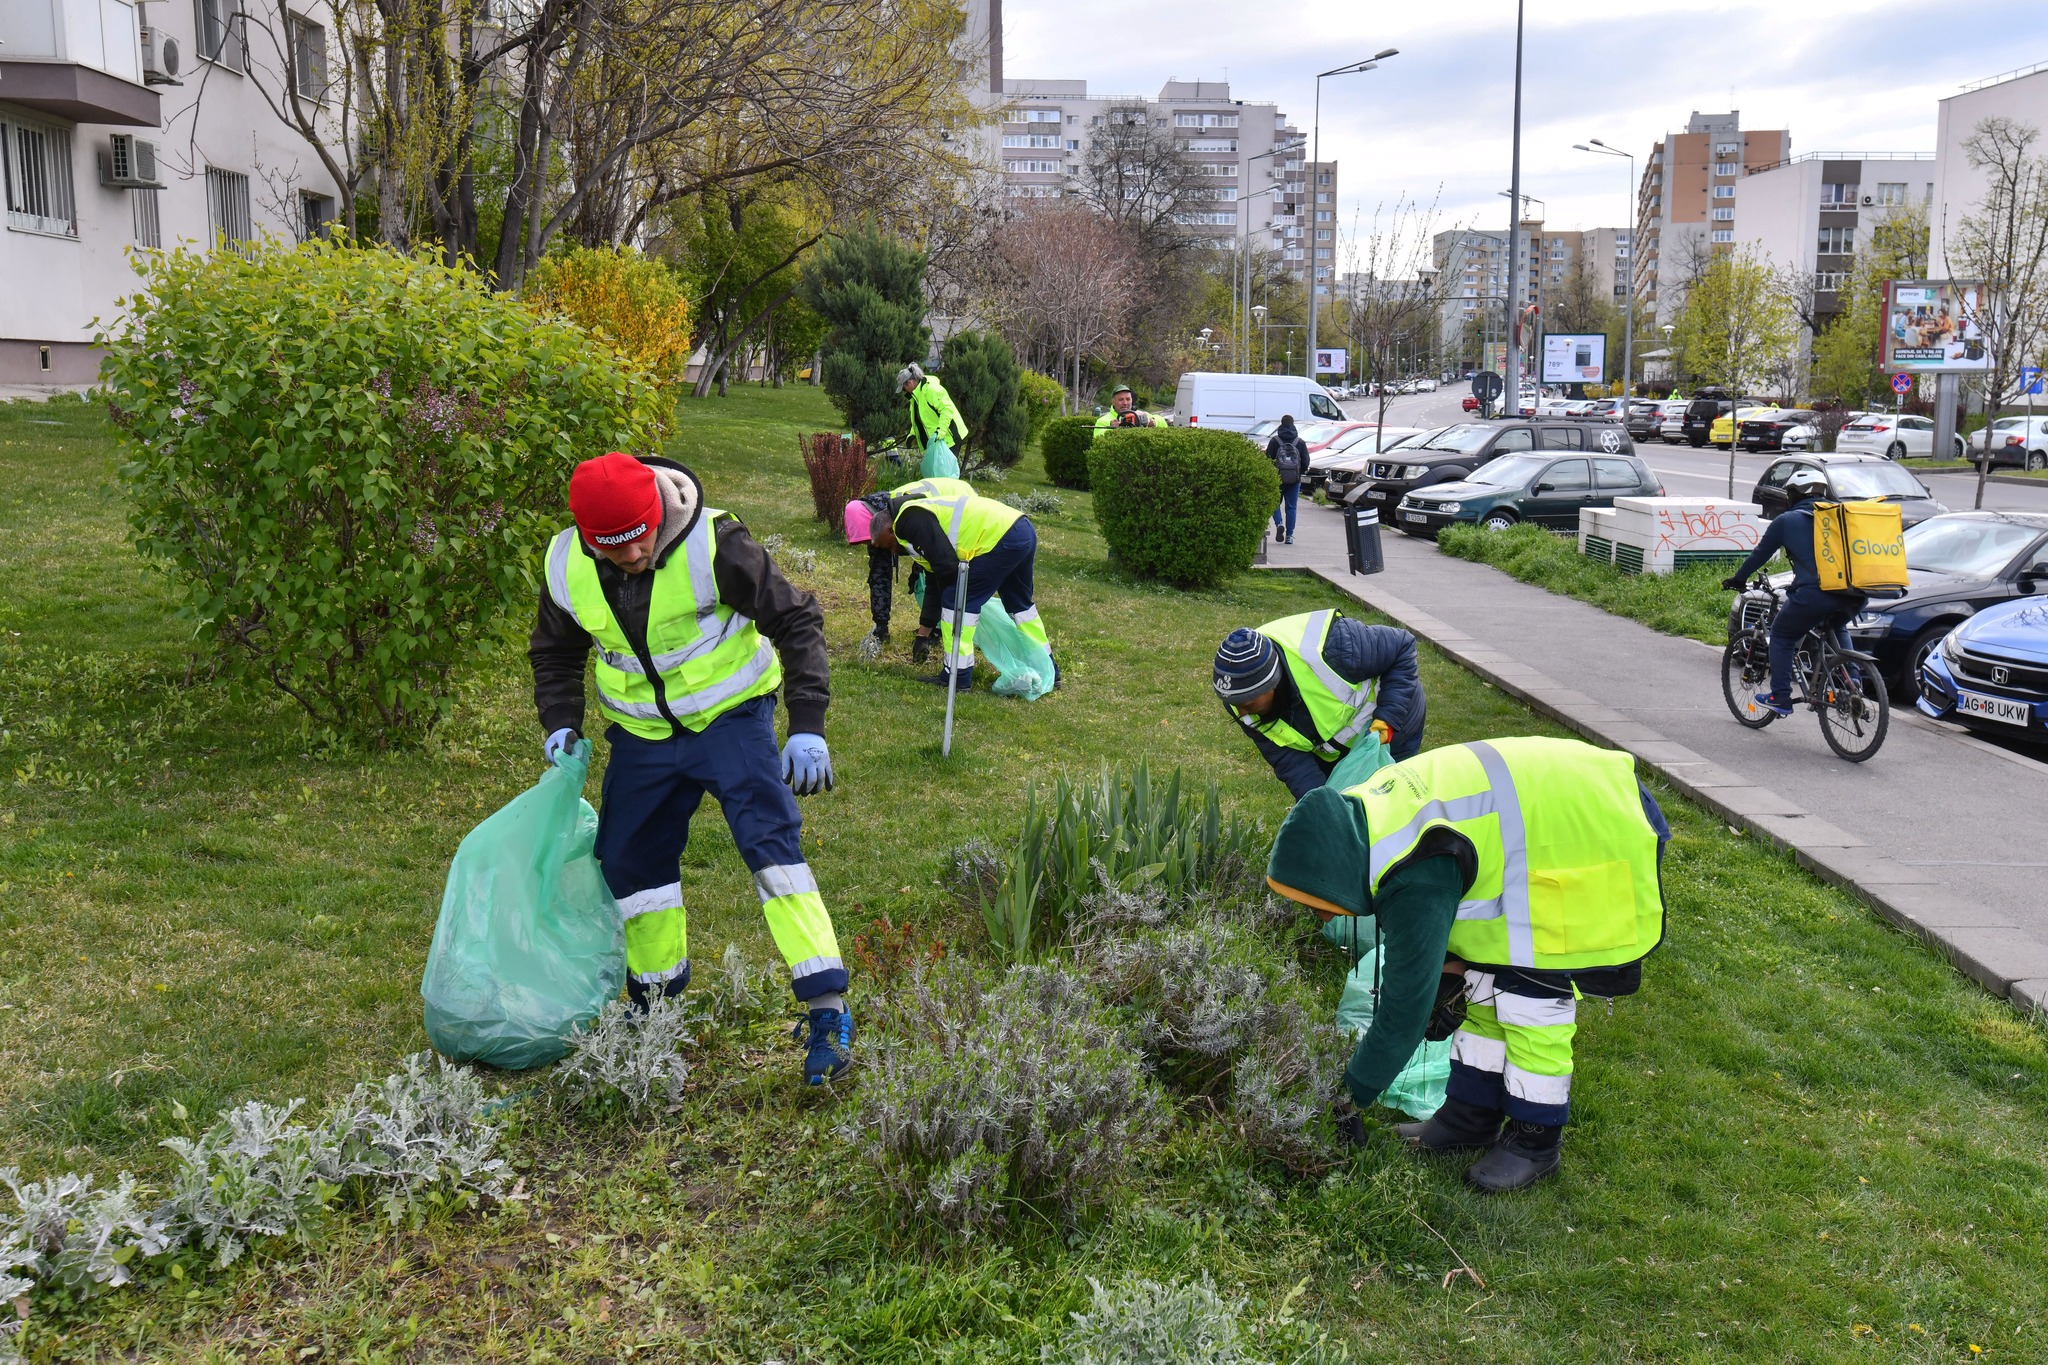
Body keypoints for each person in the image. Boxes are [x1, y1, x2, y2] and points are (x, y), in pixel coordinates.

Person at [529, 452, 853, 1085]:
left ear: (657, 511)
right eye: (614, 547)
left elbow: (796, 618)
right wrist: (561, 720)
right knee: (629, 862)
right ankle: (655, 1005)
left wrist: (807, 724)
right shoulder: (566, 563)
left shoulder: (716, 543)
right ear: (589, 539)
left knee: (771, 848)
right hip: (642, 737)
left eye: (641, 538)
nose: (632, 555)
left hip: (731, 720)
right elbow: (555, 651)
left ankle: (826, 1007)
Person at [1264, 736, 1670, 1191]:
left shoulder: (1414, 871)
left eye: (1314, 903)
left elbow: (1403, 1013)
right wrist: (1448, 970)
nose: (1320, 917)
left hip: (1593, 827)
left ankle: (1535, 1142)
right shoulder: (1361, 819)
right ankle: (1470, 1116)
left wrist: (1346, 1098)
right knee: (1482, 985)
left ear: (1333, 875)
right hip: (1547, 816)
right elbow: (1450, 902)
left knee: (1531, 999)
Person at [844, 476, 1052, 692]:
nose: (891, 551)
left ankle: (957, 676)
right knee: (1021, 607)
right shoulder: (914, 524)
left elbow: (947, 567)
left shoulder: (907, 519)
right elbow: (934, 581)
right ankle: (1048, 669)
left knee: (956, 601)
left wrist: (950, 601)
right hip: (1020, 528)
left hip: (1000, 538)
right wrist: (923, 635)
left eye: (887, 545)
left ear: (889, 530)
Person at [1211, 612, 1426, 800]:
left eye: (1248, 704)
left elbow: (1402, 645)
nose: (1241, 713)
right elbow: (1291, 762)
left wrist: (1388, 717)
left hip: (1391, 725)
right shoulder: (1238, 698)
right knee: (1341, 810)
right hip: (1333, 751)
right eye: (1235, 704)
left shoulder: (1337, 646)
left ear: (1272, 685)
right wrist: (1319, 807)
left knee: (1389, 802)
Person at [1720, 467, 1866, 717]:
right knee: (1837, 626)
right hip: (1856, 594)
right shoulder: (1840, 516)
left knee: (1781, 636)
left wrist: (1738, 578)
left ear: (1795, 494)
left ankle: (1780, 697)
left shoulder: (1787, 521)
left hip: (1815, 594)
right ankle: (1854, 683)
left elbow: (1759, 555)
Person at [898, 363, 968, 460]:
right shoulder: (916, 397)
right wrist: (913, 434)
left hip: (950, 436)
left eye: (903, 388)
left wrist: (940, 432)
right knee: (939, 468)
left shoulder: (931, 389)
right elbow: (920, 419)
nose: (905, 391)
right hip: (938, 439)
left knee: (945, 468)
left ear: (910, 383)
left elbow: (947, 410)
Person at [1266, 414, 1308, 543]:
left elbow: (1267, 460)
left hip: (1277, 479)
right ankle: (1289, 536)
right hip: (1294, 480)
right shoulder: (1299, 442)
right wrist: (1299, 473)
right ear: (1293, 424)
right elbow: (1305, 461)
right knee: (1291, 507)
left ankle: (1279, 523)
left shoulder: (1275, 441)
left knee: (1274, 503)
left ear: (1281, 424)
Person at [1094, 384, 1158, 433]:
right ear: (1113, 402)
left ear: (1132, 400)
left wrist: (1154, 422)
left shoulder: (1140, 414)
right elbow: (1098, 438)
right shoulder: (1102, 421)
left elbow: (1162, 421)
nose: (1125, 403)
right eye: (1121, 399)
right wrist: (1112, 430)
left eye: (1128, 399)